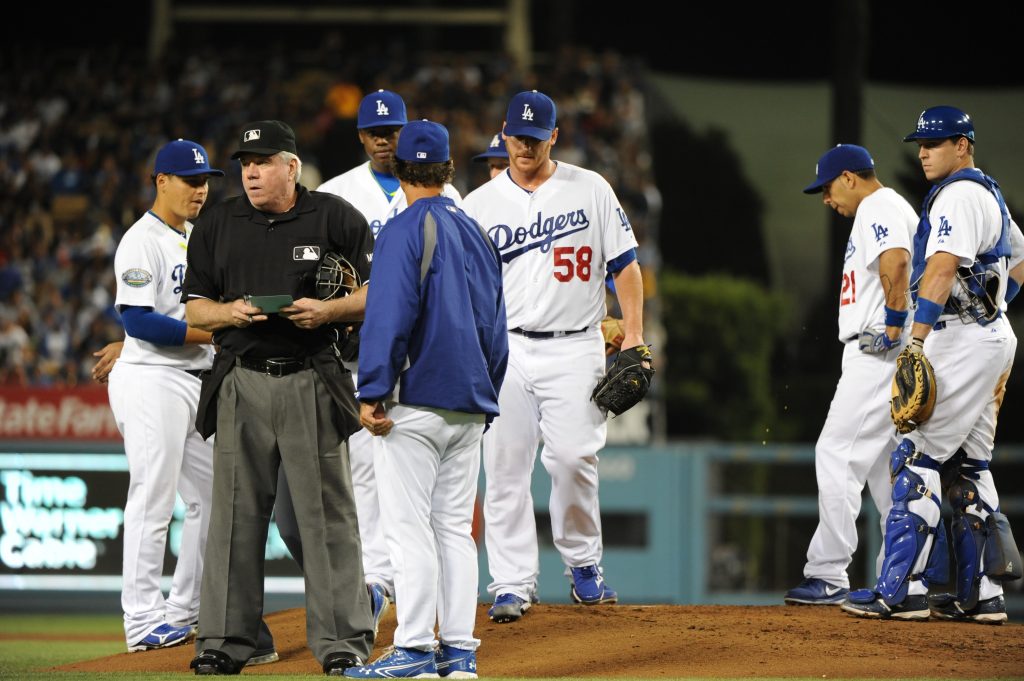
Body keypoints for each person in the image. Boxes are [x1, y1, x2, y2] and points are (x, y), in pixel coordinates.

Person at [181, 120, 375, 675]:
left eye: (262, 161)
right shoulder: (218, 221)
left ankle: (343, 643)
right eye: (245, 162)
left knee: (326, 517)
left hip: (312, 375)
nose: (250, 171)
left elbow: (378, 290)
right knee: (234, 519)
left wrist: (330, 311)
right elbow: (195, 309)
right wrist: (230, 313)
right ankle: (224, 642)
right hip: (240, 376)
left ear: (291, 167)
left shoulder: (335, 215)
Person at [462, 90, 648, 623]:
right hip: (507, 347)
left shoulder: (589, 188)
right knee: (503, 469)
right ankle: (512, 582)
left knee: (573, 459)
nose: (524, 146)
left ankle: (584, 563)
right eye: (517, 137)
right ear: (503, 133)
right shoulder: (480, 204)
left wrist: (633, 336)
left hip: (575, 343)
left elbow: (626, 268)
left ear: (554, 137)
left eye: (535, 138)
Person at [343, 120, 507, 678]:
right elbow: (496, 327)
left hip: (414, 402)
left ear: (400, 170)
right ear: (448, 169)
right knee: (455, 530)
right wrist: (488, 393)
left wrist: (371, 391)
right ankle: (459, 650)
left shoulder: (400, 228)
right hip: (469, 401)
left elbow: (388, 317)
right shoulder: (476, 230)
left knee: (409, 529)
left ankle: (413, 647)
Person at [842, 106, 1018, 623]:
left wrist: (916, 342)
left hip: (960, 339)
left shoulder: (960, 195)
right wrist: (992, 314)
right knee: (970, 464)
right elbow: (1020, 262)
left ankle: (903, 589)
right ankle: (980, 594)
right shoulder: (992, 195)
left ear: (963, 144)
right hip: (989, 336)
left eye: (936, 142)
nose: (923, 151)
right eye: (921, 142)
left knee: (914, 456)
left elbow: (940, 269)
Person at [784, 145, 917, 606]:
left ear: (847, 177)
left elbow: (897, 260)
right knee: (885, 475)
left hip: (880, 352)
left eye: (826, 188)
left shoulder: (878, 205)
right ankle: (907, 581)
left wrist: (895, 325)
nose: (825, 199)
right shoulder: (886, 207)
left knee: (836, 452)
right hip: (878, 350)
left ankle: (828, 573)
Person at [107, 139, 221, 654]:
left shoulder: (195, 238)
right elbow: (138, 321)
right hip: (152, 378)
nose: (200, 190)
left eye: (204, 181)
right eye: (190, 180)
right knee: (152, 497)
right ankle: (141, 618)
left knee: (214, 496)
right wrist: (213, 334)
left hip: (193, 380)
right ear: (161, 181)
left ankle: (181, 610)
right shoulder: (140, 240)